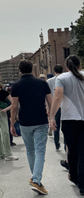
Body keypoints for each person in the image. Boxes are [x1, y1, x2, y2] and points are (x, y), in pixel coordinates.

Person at [9, 59, 52, 195]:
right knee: (40, 151)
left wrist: (12, 123)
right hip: (40, 120)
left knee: (30, 150)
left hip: (25, 121)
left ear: (20, 70)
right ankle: (37, 180)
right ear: (32, 69)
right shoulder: (42, 83)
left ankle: (35, 178)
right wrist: (51, 117)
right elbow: (50, 103)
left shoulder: (16, 85)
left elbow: (14, 106)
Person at [49, 55, 84, 196]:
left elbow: (57, 97)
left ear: (66, 66)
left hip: (70, 120)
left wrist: (51, 116)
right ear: (80, 65)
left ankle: (75, 177)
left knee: (73, 151)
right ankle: (82, 184)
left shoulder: (62, 78)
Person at [46, 64, 64, 150]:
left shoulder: (49, 81)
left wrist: (48, 107)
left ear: (54, 71)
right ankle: (66, 144)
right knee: (65, 125)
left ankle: (57, 143)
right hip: (64, 105)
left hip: (54, 105)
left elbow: (47, 95)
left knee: (55, 125)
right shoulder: (65, 79)